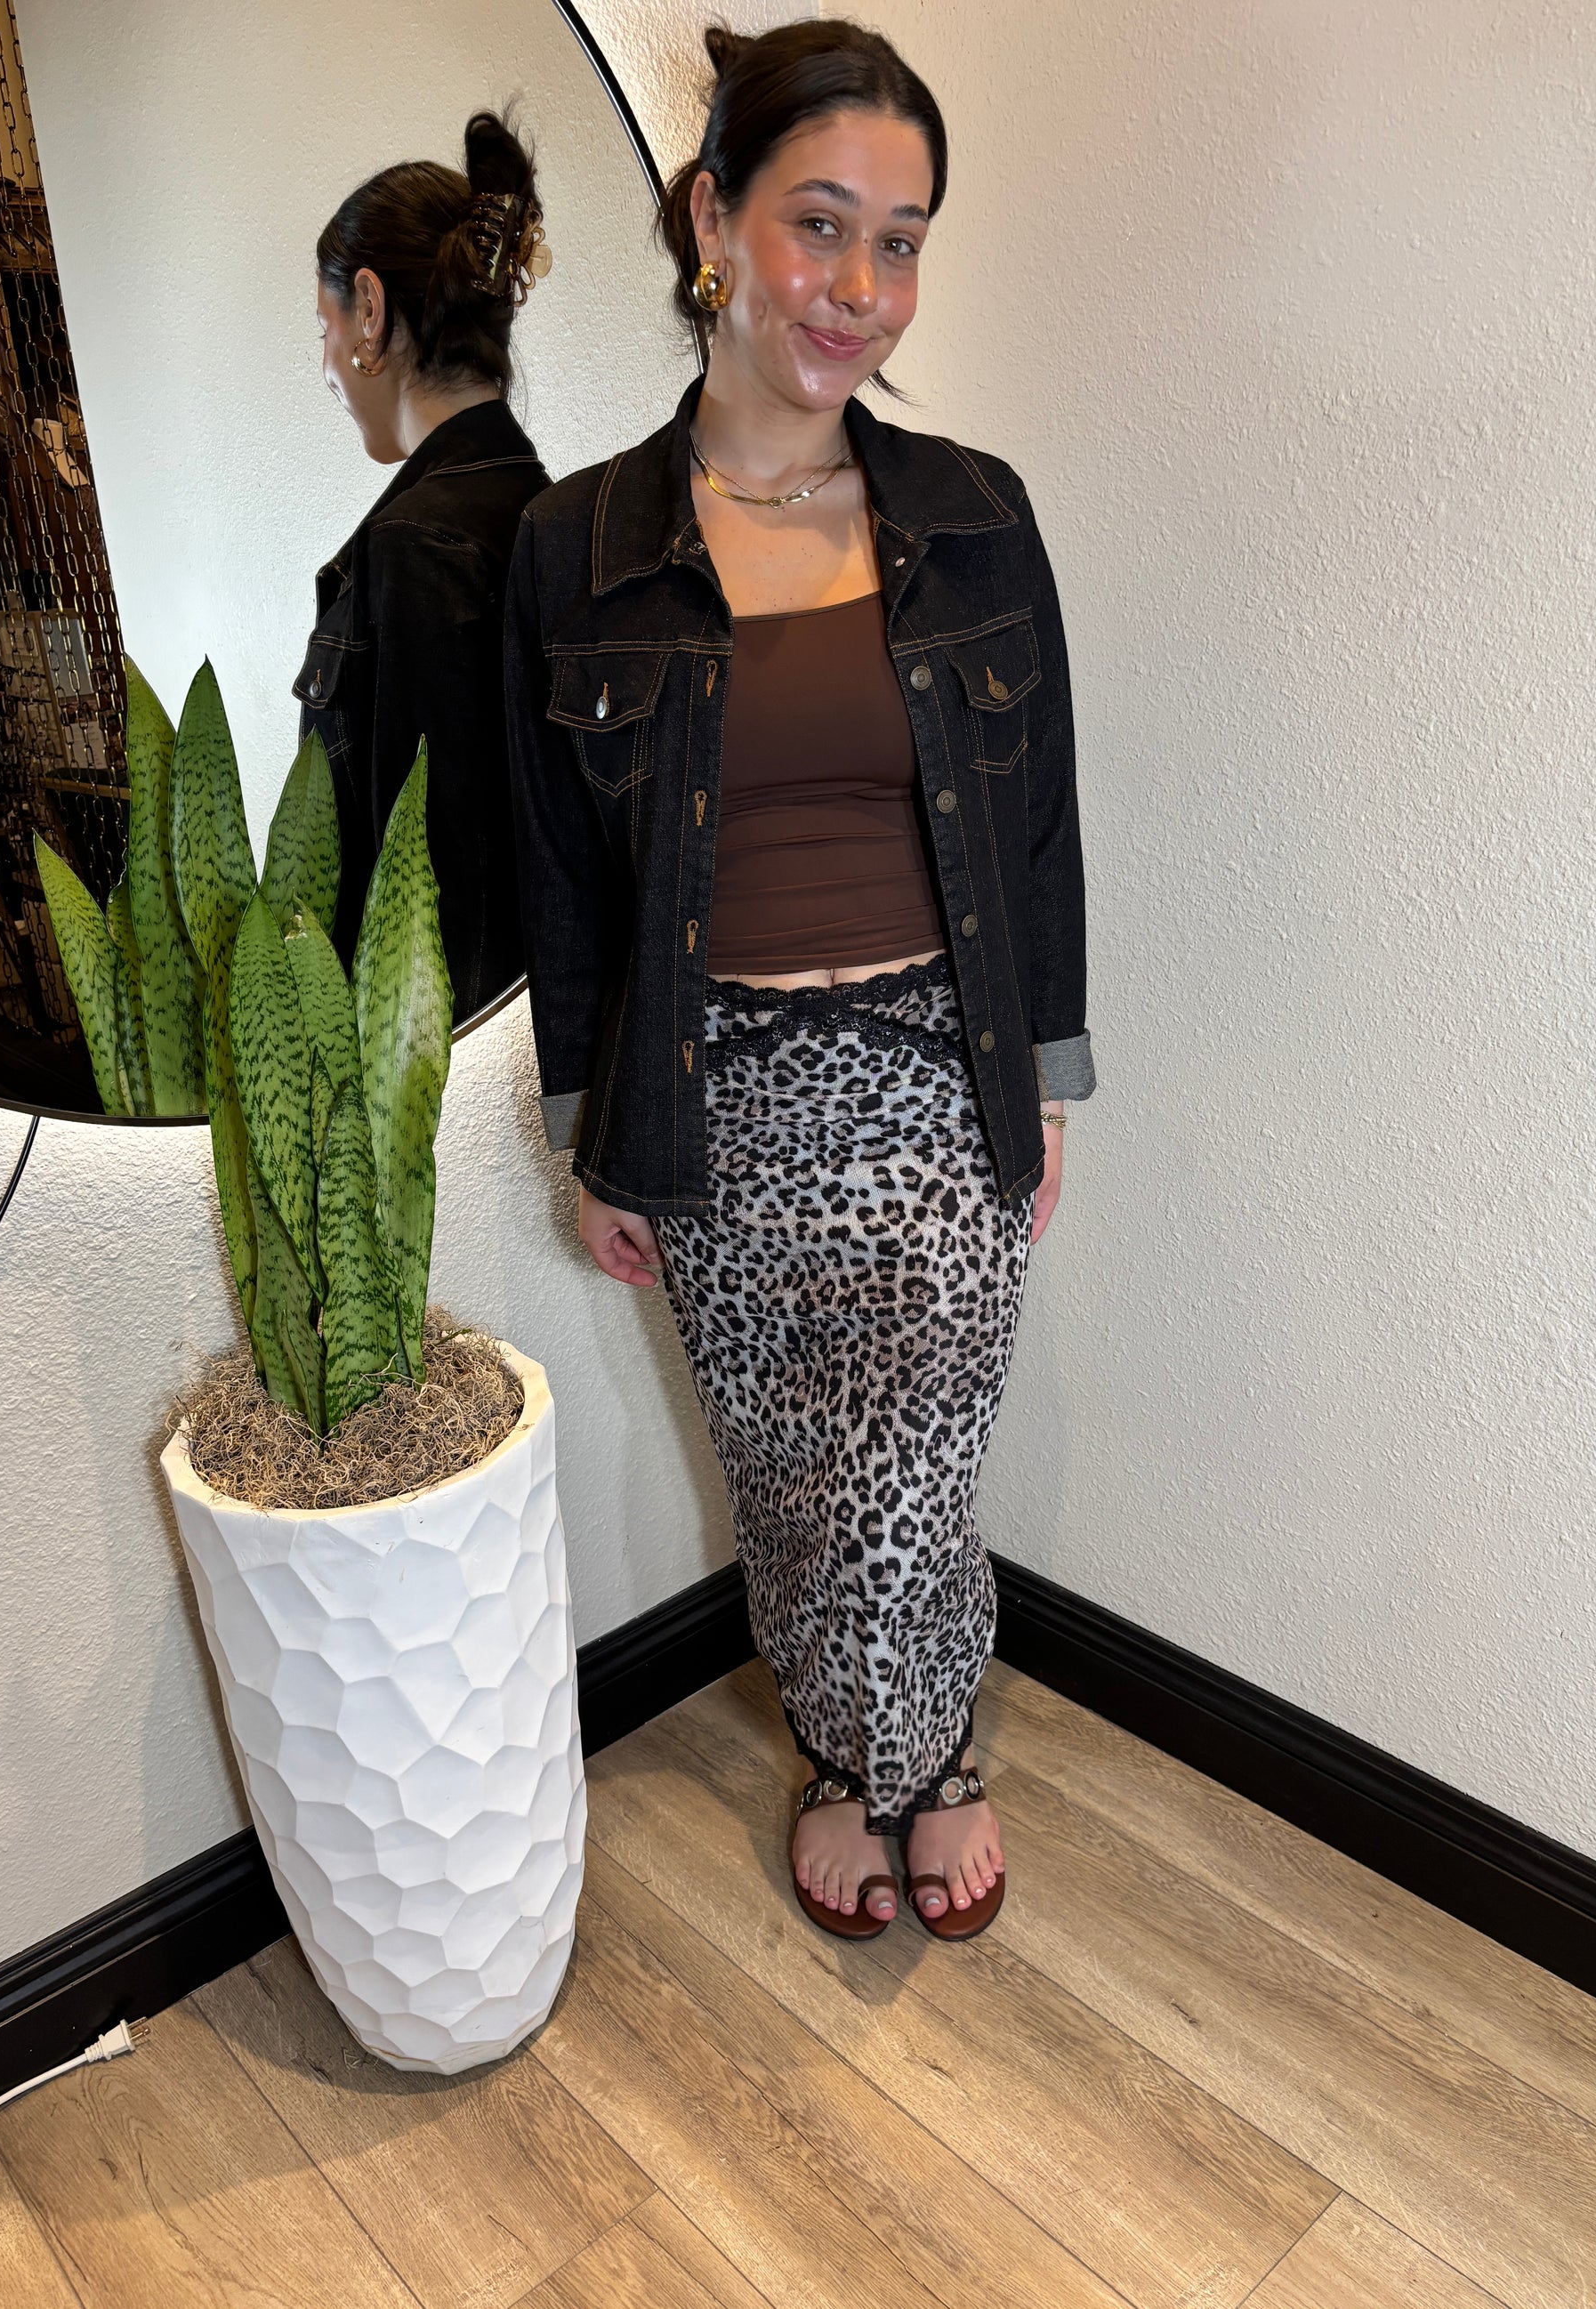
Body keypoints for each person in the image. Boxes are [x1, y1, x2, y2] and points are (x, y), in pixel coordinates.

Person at [504, 21, 1095, 1942]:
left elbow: (1037, 833)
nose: (859, 287)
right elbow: (555, 873)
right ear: (712, 220)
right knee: (785, 1473)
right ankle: (874, 1757)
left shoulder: (976, 515)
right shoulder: (573, 550)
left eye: (898, 242)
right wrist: (592, 1135)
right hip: (708, 1087)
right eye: (818, 224)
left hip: (932, 1063)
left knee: (912, 1456)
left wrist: (1045, 1082)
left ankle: (905, 1758)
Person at [301, 111, 552, 1021]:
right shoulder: (542, 510)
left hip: (438, 1082)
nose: (325, 363)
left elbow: (432, 900)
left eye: (323, 323)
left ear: (369, 310)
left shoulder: (418, 548)